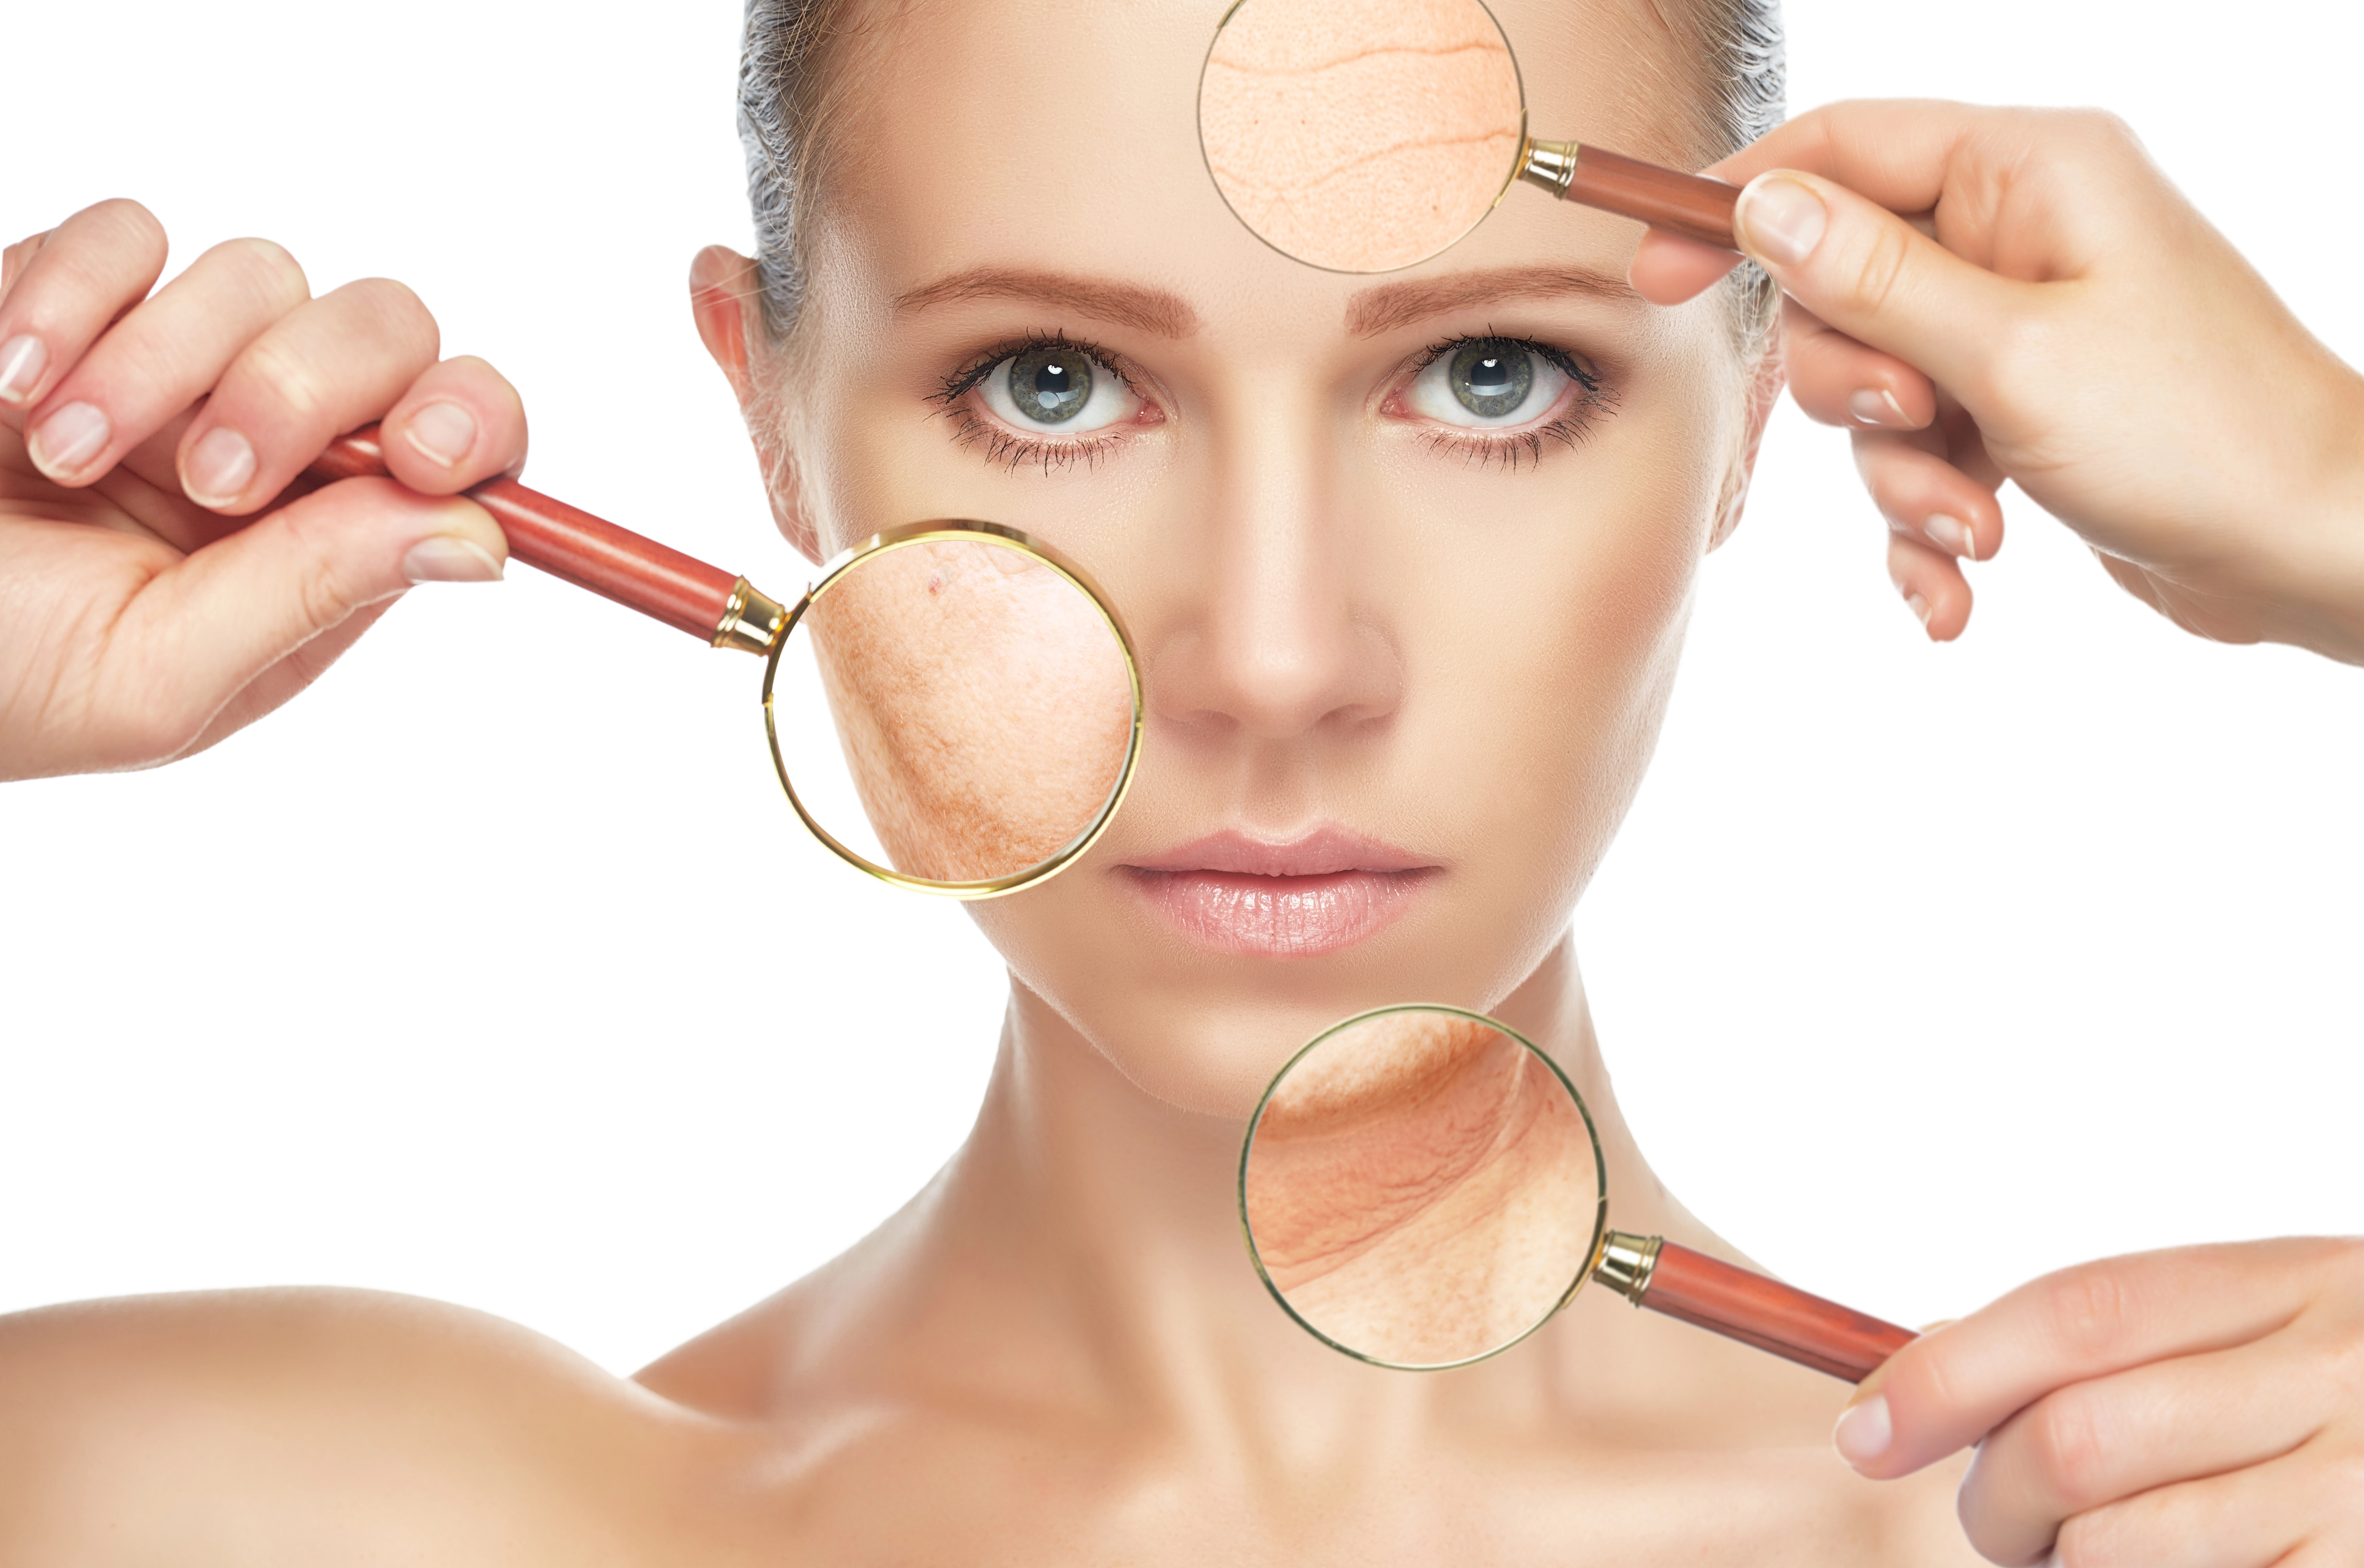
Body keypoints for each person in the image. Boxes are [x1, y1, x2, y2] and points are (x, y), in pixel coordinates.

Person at [0, 5, 2357, 1567]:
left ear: (1751, 405)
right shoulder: (254, 1510)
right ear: (765, 422)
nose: (1271, 660)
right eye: (1046, 383)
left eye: (1489, 375)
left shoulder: (2225, 1521)